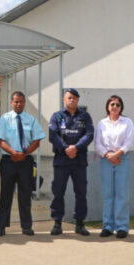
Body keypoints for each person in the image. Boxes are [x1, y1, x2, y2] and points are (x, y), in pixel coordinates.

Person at [0, 91, 46, 236]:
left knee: (25, 195)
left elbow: (37, 140)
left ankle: (26, 226)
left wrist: (25, 153)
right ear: (11, 102)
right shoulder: (4, 119)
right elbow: (0, 140)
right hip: (8, 161)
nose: (18, 104)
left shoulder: (31, 120)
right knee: (5, 195)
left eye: (21, 101)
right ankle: (1, 227)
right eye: (16, 101)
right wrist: (13, 153)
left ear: (24, 103)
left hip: (25, 161)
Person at [48, 88, 94, 236]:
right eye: (69, 97)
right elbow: (53, 135)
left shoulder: (85, 116)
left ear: (78, 100)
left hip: (79, 161)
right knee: (58, 192)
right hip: (61, 160)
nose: (71, 100)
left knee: (81, 193)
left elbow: (89, 134)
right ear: (64, 99)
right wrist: (66, 148)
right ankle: (57, 223)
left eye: (74, 98)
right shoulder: (57, 116)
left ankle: (79, 224)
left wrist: (76, 147)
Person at [94, 95, 134, 238]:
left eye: (118, 105)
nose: (115, 107)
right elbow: (98, 143)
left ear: (121, 107)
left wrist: (117, 154)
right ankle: (107, 226)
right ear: (107, 106)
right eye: (112, 104)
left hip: (122, 158)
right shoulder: (101, 123)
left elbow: (130, 141)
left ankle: (122, 226)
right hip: (106, 160)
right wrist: (108, 155)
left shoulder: (127, 122)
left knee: (122, 194)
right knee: (108, 195)